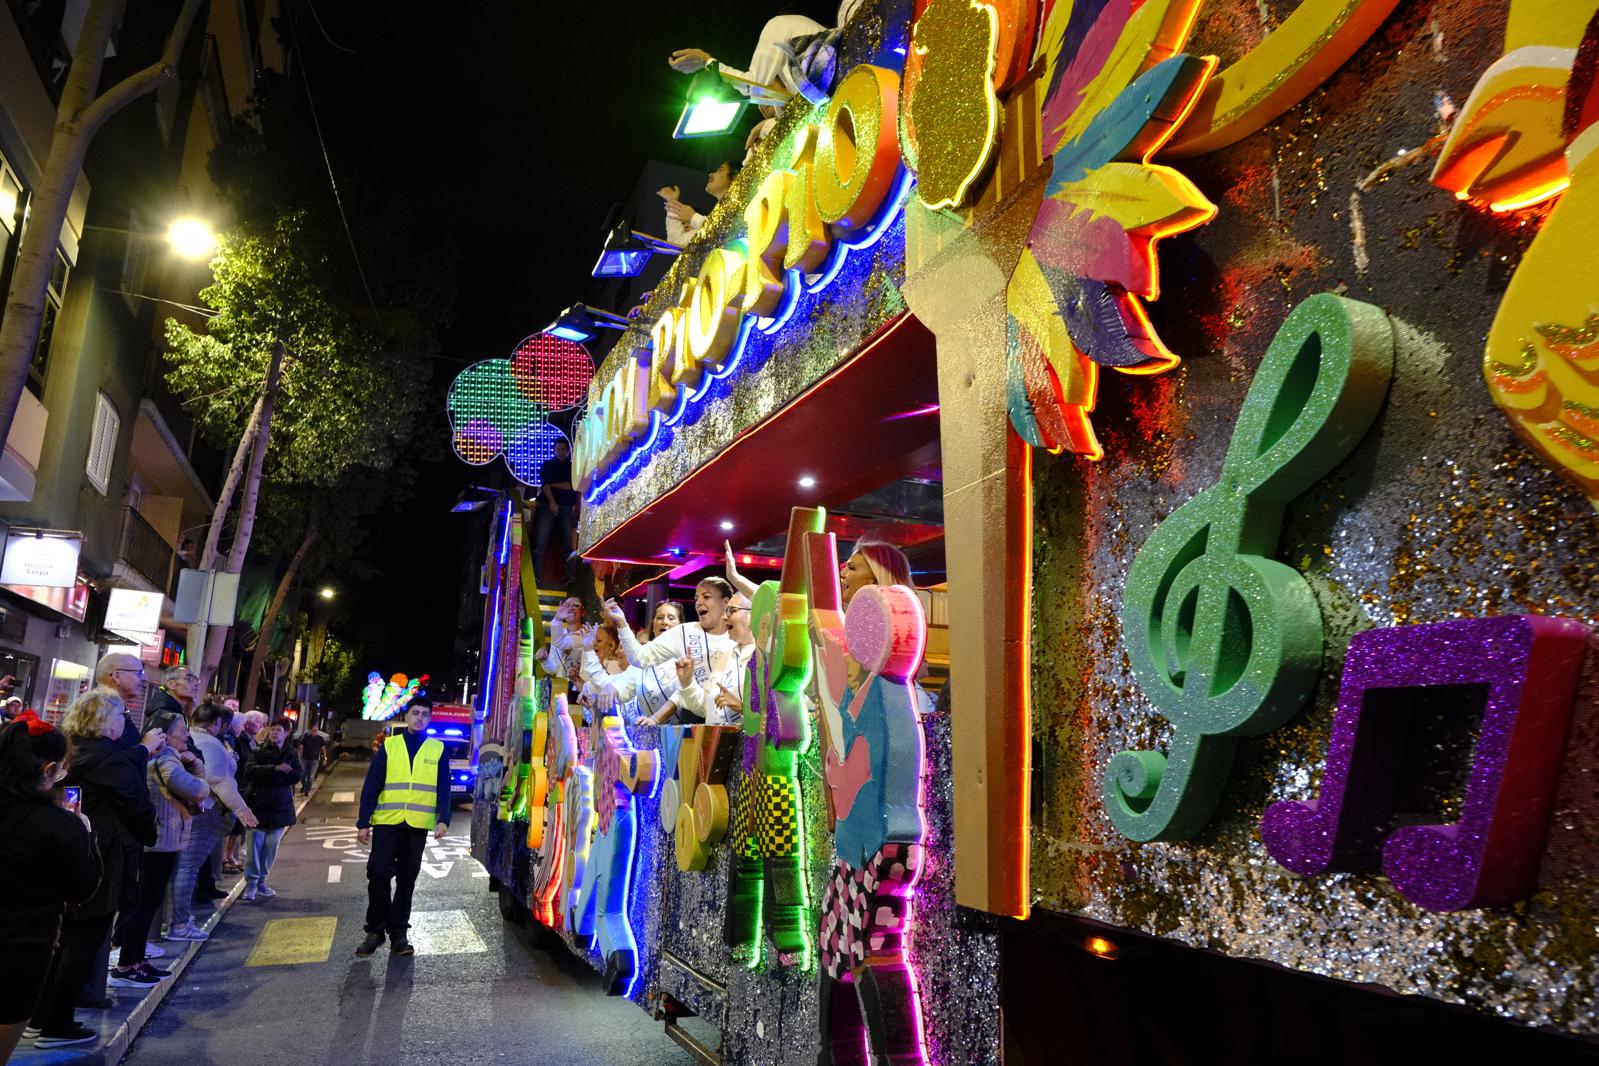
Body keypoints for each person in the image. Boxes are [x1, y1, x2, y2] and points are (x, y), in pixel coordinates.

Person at [30, 691, 159, 1048]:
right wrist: (148, 834)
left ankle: (40, 1016)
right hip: (98, 854)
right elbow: (136, 801)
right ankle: (57, 1024)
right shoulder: (107, 757)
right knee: (84, 937)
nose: (123, 723)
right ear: (106, 720)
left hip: (61, 848)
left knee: (62, 935)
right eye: (120, 716)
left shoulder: (67, 749)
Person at [0, 712, 100, 1057]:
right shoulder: (59, 825)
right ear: (48, 771)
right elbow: (82, 888)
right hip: (20, 948)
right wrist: (85, 837)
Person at [109, 711, 207, 988]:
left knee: (147, 902)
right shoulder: (167, 760)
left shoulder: (163, 760)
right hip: (160, 842)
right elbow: (198, 791)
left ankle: (135, 960)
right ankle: (128, 963)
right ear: (165, 735)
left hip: (161, 840)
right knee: (146, 902)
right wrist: (198, 768)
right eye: (181, 730)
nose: (187, 735)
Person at [355, 699, 451, 957]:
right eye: (415, 713)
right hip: (387, 821)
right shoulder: (390, 746)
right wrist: (363, 822)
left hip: (417, 825)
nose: (420, 718)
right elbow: (372, 784)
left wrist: (444, 819)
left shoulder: (438, 749)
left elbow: (444, 787)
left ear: (430, 719)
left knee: (407, 881)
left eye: (425, 714)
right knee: (378, 876)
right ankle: (375, 931)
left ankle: (399, 934)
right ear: (407, 716)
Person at [169, 702, 256, 941]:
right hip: (204, 810)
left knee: (182, 866)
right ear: (217, 723)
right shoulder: (210, 744)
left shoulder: (194, 740)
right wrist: (241, 808)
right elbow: (220, 781)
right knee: (188, 866)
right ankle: (179, 923)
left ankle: (176, 920)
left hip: (188, 809)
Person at [609, 577, 739, 725]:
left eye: (706, 597)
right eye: (696, 598)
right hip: (695, 720)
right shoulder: (684, 633)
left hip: (737, 721)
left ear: (725, 602)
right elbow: (639, 658)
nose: (698, 602)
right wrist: (622, 623)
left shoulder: (738, 636)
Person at [239, 716, 300, 901]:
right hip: (258, 804)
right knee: (254, 847)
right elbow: (250, 771)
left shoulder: (291, 753)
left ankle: (262, 881)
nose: (274, 732)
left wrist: (278, 774)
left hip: (280, 806)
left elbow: (296, 775)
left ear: (286, 733)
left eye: (279, 730)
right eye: (272, 729)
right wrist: (275, 769)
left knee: (271, 846)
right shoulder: (258, 751)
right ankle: (251, 883)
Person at [674, 591, 755, 727]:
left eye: (731, 611)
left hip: (748, 745)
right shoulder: (726, 655)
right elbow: (706, 707)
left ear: (753, 614)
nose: (724, 617)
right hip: (716, 742)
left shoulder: (767, 657)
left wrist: (743, 708)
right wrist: (687, 682)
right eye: (724, 611)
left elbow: (779, 716)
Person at [659, 160, 739, 247]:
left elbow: (727, 233)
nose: (711, 174)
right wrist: (673, 203)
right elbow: (676, 243)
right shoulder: (708, 224)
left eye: (720, 169)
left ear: (735, 178)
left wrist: (693, 217)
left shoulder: (742, 204)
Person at [223, 709, 265, 872]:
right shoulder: (239, 740)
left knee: (239, 826)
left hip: (246, 786)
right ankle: (225, 858)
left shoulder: (251, 741)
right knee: (232, 824)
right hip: (238, 786)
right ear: (247, 724)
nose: (261, 726)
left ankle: (231, 856)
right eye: (258, 723)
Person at [532, 438, 579, 585]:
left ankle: (570, 578)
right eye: (558, 449)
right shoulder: (548, 465)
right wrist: (552, 500)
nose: (560, 452)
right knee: (540, 542)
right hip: (547, 505)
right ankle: (535, 576)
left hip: (565, 506)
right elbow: (545, 485)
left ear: (568, 451)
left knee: (567, 544)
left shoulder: (572, 467)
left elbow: (570, 486)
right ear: (554, 450)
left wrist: (552, 485)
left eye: (563, 449)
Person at [298, 725, 327, 796]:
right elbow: (301, 746)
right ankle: (304, 786)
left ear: (317, 731)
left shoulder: (320, 739)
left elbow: (323, 749)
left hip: (315, 760)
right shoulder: (306, 738)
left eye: (316, 731)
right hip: (305, 759)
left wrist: (325, 758)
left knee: (311, 776)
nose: (314, 732)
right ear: (311, 731)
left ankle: (308, 790)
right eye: (313, 730)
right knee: (302, 774)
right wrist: (300, 755)